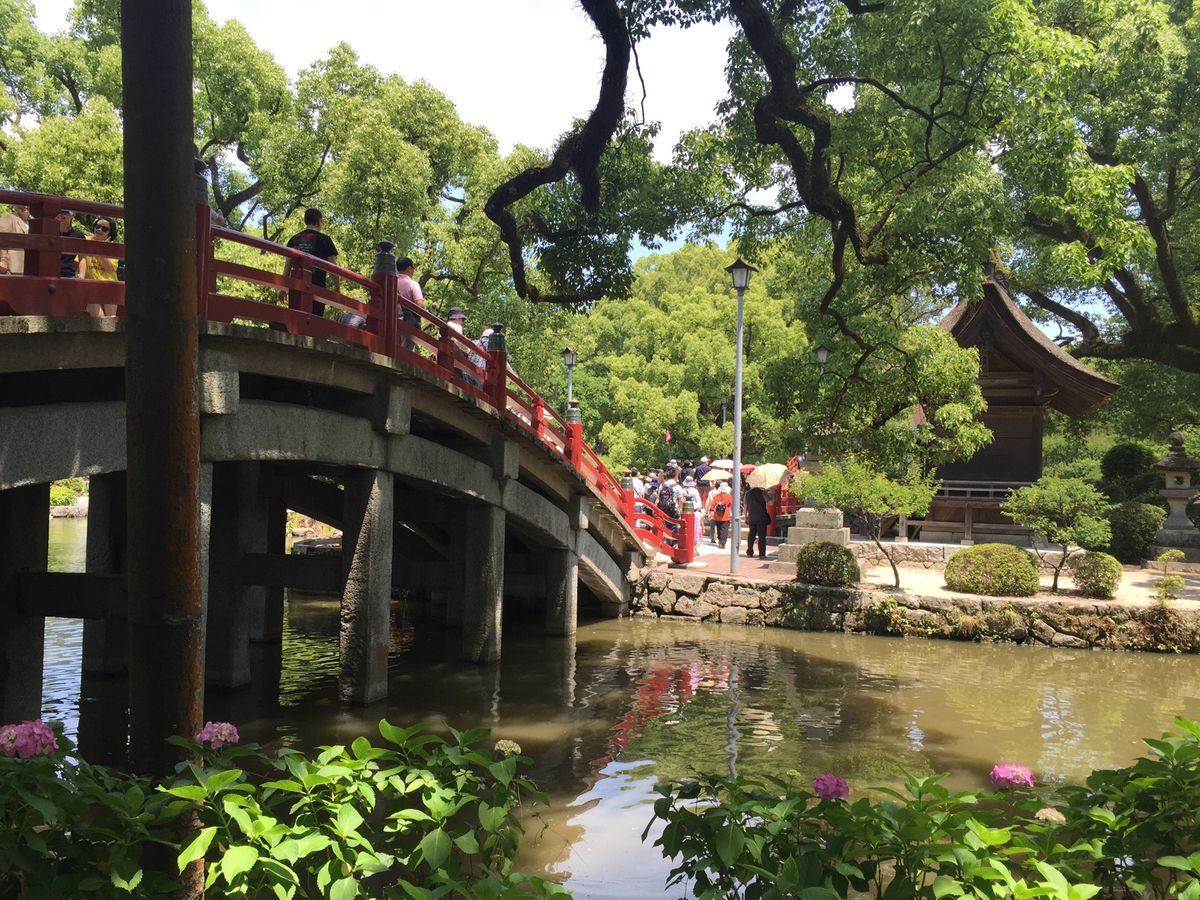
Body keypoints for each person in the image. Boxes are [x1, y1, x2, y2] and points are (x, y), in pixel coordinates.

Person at [282, 208, 339, 317]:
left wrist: (283, 288)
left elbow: (287, 265)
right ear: (319, 221)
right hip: (317, 288)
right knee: (314, 321)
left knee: (296, 318)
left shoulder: (294, 239)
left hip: (296, 287)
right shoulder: (325, 240)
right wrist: (337, 287)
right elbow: (333, 267)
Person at [79, 215, 120, 317]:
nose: (99, 230)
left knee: (111, 319)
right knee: (99, 320)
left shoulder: (113, 247)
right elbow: (79, 261)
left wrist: (100, 250)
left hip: (109, 285)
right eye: (97, 226)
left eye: (104, 229)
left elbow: (109, 269)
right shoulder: (85, 240)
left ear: (110, 233)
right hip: (91, 286)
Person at [447, 306, 483, 387]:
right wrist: (468, 350)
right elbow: (458, 340)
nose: (462, 321)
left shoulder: (444, 326)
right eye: (462, 319)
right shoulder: (457, 327)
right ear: (457, 318)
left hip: (444, 355)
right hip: (455, 355)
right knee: (457, 377)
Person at [397, 256, 425, 349]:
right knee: (406, 354)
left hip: (389, 319)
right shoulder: (413, 284)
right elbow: (420, 306)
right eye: (413, 268)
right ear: (409, 268)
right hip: (407, 322)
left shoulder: (392, 280)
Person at [0, 203, 30, 275]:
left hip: (27, 268)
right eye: (22, 203)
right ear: (16, 206)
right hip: (12, 268)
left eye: (28, 204)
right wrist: (3, 260)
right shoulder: (9, 217)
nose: (25, 206)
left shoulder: (31, 222)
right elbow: (2, 238)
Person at [745, 485, 772, 559]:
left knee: (751, 535)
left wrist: (745, 517)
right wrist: (767, 493)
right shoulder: (763, 493)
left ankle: (749, 552)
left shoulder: (747, 493)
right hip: (761, 517)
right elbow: (771, 503)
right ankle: (762, 554)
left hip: (752, 517)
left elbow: (745, 506)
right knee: (762, 536)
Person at [55, 210, 84, 277]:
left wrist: (81, 278)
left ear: (72, 216)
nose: (62, 214)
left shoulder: (78, 236)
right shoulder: (47, 232)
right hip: (46, 273)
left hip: (68, 275)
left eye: (66, 212)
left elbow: (82, 258)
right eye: (59, 211)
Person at [706, 482, 733, 548]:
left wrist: (711, 514)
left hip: (717, 516)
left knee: (719, 529)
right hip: (725, 516)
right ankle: (722, 543)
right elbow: (732, 506)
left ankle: (720, 541)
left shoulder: (716, 496)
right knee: (724, 530)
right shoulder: (729, 497)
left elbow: (712, 506)